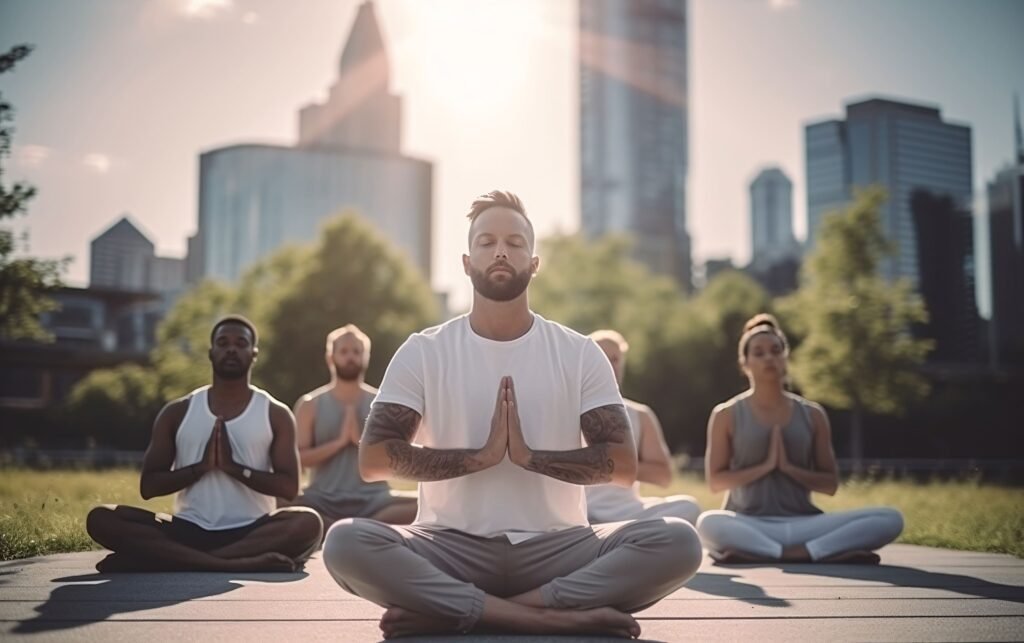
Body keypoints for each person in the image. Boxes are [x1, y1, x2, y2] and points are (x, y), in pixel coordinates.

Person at [322, 190, 702, 639]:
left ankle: (458, 610)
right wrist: (478, 458)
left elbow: (623, 466)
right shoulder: (423, 351)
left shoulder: (579, 353)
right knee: (346, 542)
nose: (501, 250)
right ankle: (545, 617)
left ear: (535, 262)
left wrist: (530, 458)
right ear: (467, 262)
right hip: (449, 546)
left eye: (515, 242)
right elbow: (374, 461)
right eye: (486, 242)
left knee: (678, 541)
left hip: (558, 547)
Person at [85, 316, 323, 573]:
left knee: (308, 523)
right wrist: (200, 468)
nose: (231, 348)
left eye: (240, 343)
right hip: (188, 528)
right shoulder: (177, 411)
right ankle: (228, 564)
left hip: (252, 530)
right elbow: (149, 486)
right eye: (223, 342)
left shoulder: (275, 413)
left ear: (253, 354)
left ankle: (164, 559)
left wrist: (234, 468)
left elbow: (289, 487)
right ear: (211, 352)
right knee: (102, 517)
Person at [696, 313, 904, 565]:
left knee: (891, 518)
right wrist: (765, 466)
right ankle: (819, 552)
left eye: (775, 350)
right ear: (745, 363)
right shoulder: (725, 414)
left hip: (805, 523)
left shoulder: (813, 414)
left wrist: (789, 468)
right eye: (759, 353)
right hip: (749, 523)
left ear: (786, 357)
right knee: (707, 523)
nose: (769, 357)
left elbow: (830, 484)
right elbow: (716, 481)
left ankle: (783, 552)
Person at [288, 324, 416, 527]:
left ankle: (341, 527)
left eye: (357, 352)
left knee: (424, 504)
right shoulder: (310, 404)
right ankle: (358, 528)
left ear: (366, 357)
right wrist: (338, 443)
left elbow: (393, 461)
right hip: (322, 498)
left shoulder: (382, 403)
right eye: (344, 351)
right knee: (276, 502)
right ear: (331, 357)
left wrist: (359, 441)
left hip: (375, 500)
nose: (350, 357)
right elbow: (299, 460)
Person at [586, 330, 700, 525]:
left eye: (615, 359)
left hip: (629, 512)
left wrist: (619, 464)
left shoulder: (640, 414)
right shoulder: (566, 410)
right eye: (602, 357)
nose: (609, 365)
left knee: (689, 507)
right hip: (584, 512)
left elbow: (663, 476)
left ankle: (625, 536)